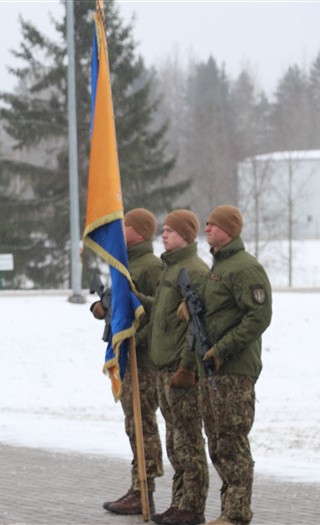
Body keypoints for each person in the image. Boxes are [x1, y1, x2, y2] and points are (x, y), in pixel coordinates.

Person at [196, 206, 272, 525]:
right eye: (207, 223)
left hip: (234, 369)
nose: (207, 228)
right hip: (213, 369)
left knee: (232, 441)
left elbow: (259, 316)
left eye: (214, 224)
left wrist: (223, 349)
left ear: (229, 230)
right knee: (217, 442)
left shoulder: (245, 268)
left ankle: (237, 513)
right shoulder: (219, 267)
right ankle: (229, 510)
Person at [95, 208, 164, 515]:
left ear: (139, 232)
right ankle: (137, 486)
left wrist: (137, 338)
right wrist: (103, 309)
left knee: (142, 423)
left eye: (126, 225)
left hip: (144, 359)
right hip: (128, 356)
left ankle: (144, 490)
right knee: (133, 425)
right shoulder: (124, 264)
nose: (120, 228)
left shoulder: (150, 266)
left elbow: (158, 314)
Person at [148, 210, 210, 525]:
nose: (164, 234)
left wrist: (187, 367)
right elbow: (164, 318)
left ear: (185, 235)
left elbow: (195, 328)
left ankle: (193, 507)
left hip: (180, 371)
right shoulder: (170, 269)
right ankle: (179, 502)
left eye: (170, 231)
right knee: (175, 442)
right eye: (163, 230)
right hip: (163, 368)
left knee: (188, 440)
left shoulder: (194, 271)